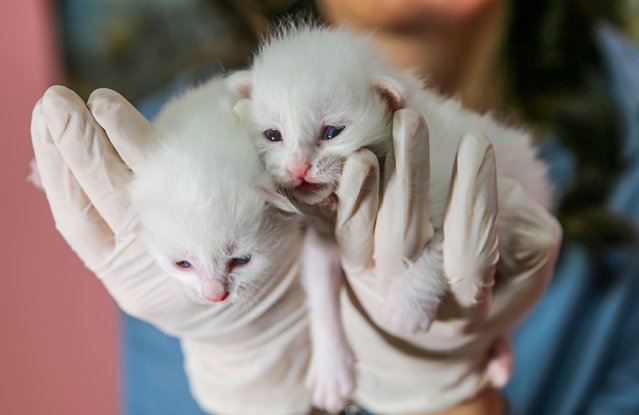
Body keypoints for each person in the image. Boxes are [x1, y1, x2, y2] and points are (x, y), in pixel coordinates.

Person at [31, 1, 638, 415]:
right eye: (273, 139)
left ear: (387, 100)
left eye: (330, 131)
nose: (296, 170)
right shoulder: (173, 144)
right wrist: (247, 366)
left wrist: (445, 392)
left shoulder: (624, 122)